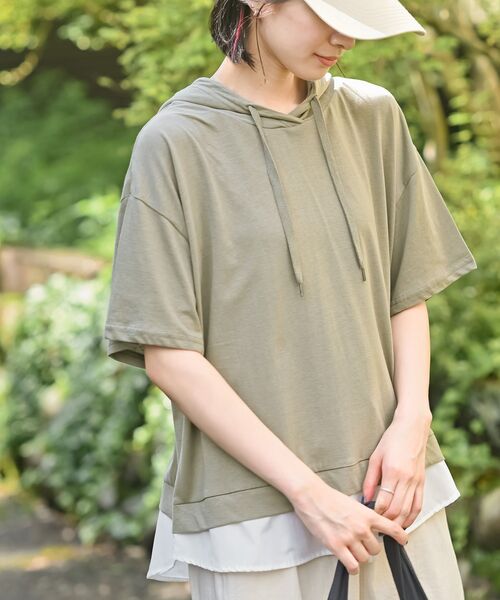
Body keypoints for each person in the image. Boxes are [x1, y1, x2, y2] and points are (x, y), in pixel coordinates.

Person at [103, 0, 478, 598]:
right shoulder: (174, 144)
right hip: (254, 517)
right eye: (329, 13)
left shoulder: (372, 116)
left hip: (395, 490)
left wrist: (413, 422)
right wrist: (309, 494)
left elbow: (405, 290)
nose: (345, 38)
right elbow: (169, 354)